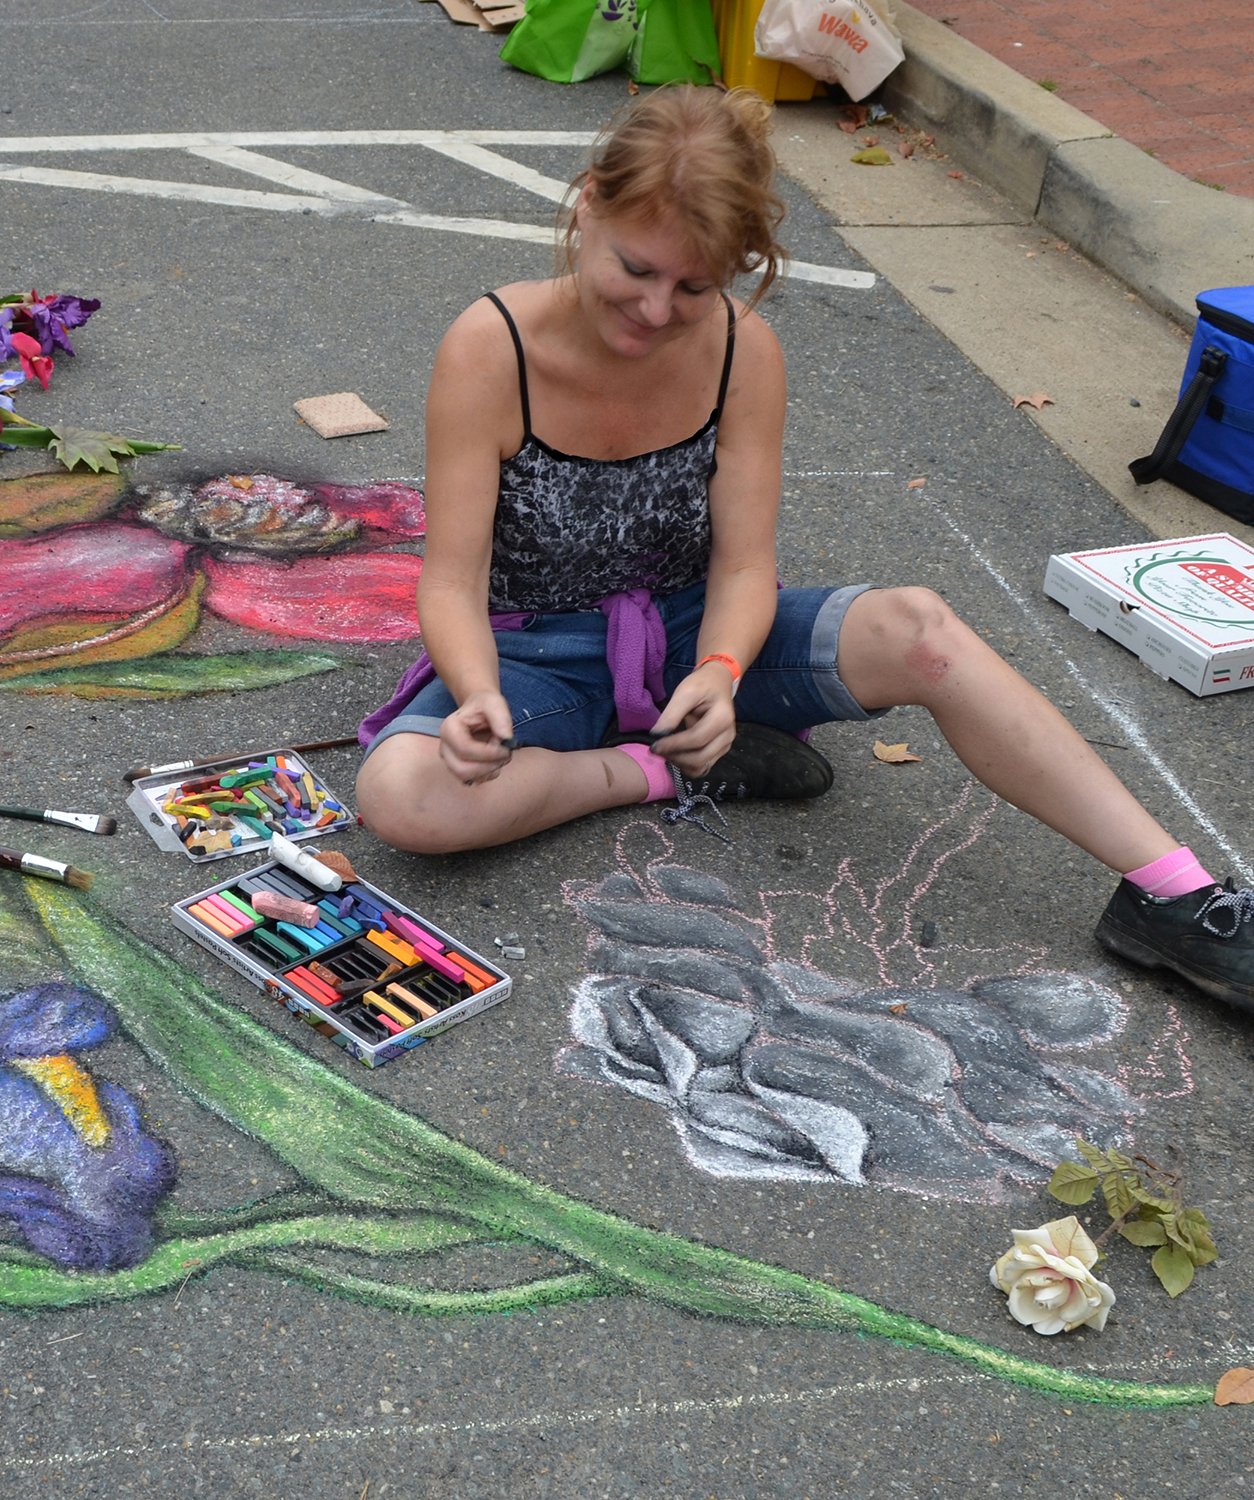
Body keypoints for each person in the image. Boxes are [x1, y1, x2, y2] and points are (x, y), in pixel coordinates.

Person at [355, 85, 1254, 1012]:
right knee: (402, 796)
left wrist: (720, 667)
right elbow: (452, 578)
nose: (660, 311)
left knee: (921, 628)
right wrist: (478, 695)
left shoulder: (745, 351)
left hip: (694, 629)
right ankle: (655, 769)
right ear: (588, 205)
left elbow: (743, 565)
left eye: (697, 287)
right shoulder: (490, 346)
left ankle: (1178, 897)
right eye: (638, 268)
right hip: (537, 653)